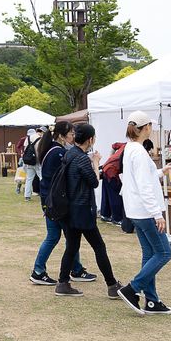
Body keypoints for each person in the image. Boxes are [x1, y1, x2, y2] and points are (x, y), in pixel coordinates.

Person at [117, 111, 171, 315]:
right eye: (150, 126)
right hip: (145, 211)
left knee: (150, 253)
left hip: (135, 210)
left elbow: (141, 179)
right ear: (146, 128)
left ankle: (152, 300)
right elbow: (143, 185)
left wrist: (160, 171)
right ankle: (133, 289)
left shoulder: (131, 148)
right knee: (164, 253)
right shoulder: (139, 151)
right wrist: (157, 213)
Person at [55, 123, 121, 300]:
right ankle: (112, 285)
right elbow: (94, 182)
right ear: (91, 139)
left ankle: (62, 282)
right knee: (99, 246)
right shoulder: (82, 158)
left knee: (72, 246)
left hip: (69, 208)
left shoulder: (70, 153)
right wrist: (96, 162)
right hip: (82, 208)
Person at [30, 122, 95, 286]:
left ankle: (46, 270)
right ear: (61, 135)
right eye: (71, 134)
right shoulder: (58, 152)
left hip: (49, 200)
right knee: (67, 237)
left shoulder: (51, 149)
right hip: (56, 202)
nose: (73, 137)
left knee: (59, 236)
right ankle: (72, 270)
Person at [21, 128, 41, 202]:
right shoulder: (38, 138)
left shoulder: (27, 139)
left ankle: (27, 196)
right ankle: (44, 192)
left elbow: (25, 150)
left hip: (29, 161)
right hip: (37, 161)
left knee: (29, 179)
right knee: (41, 177)